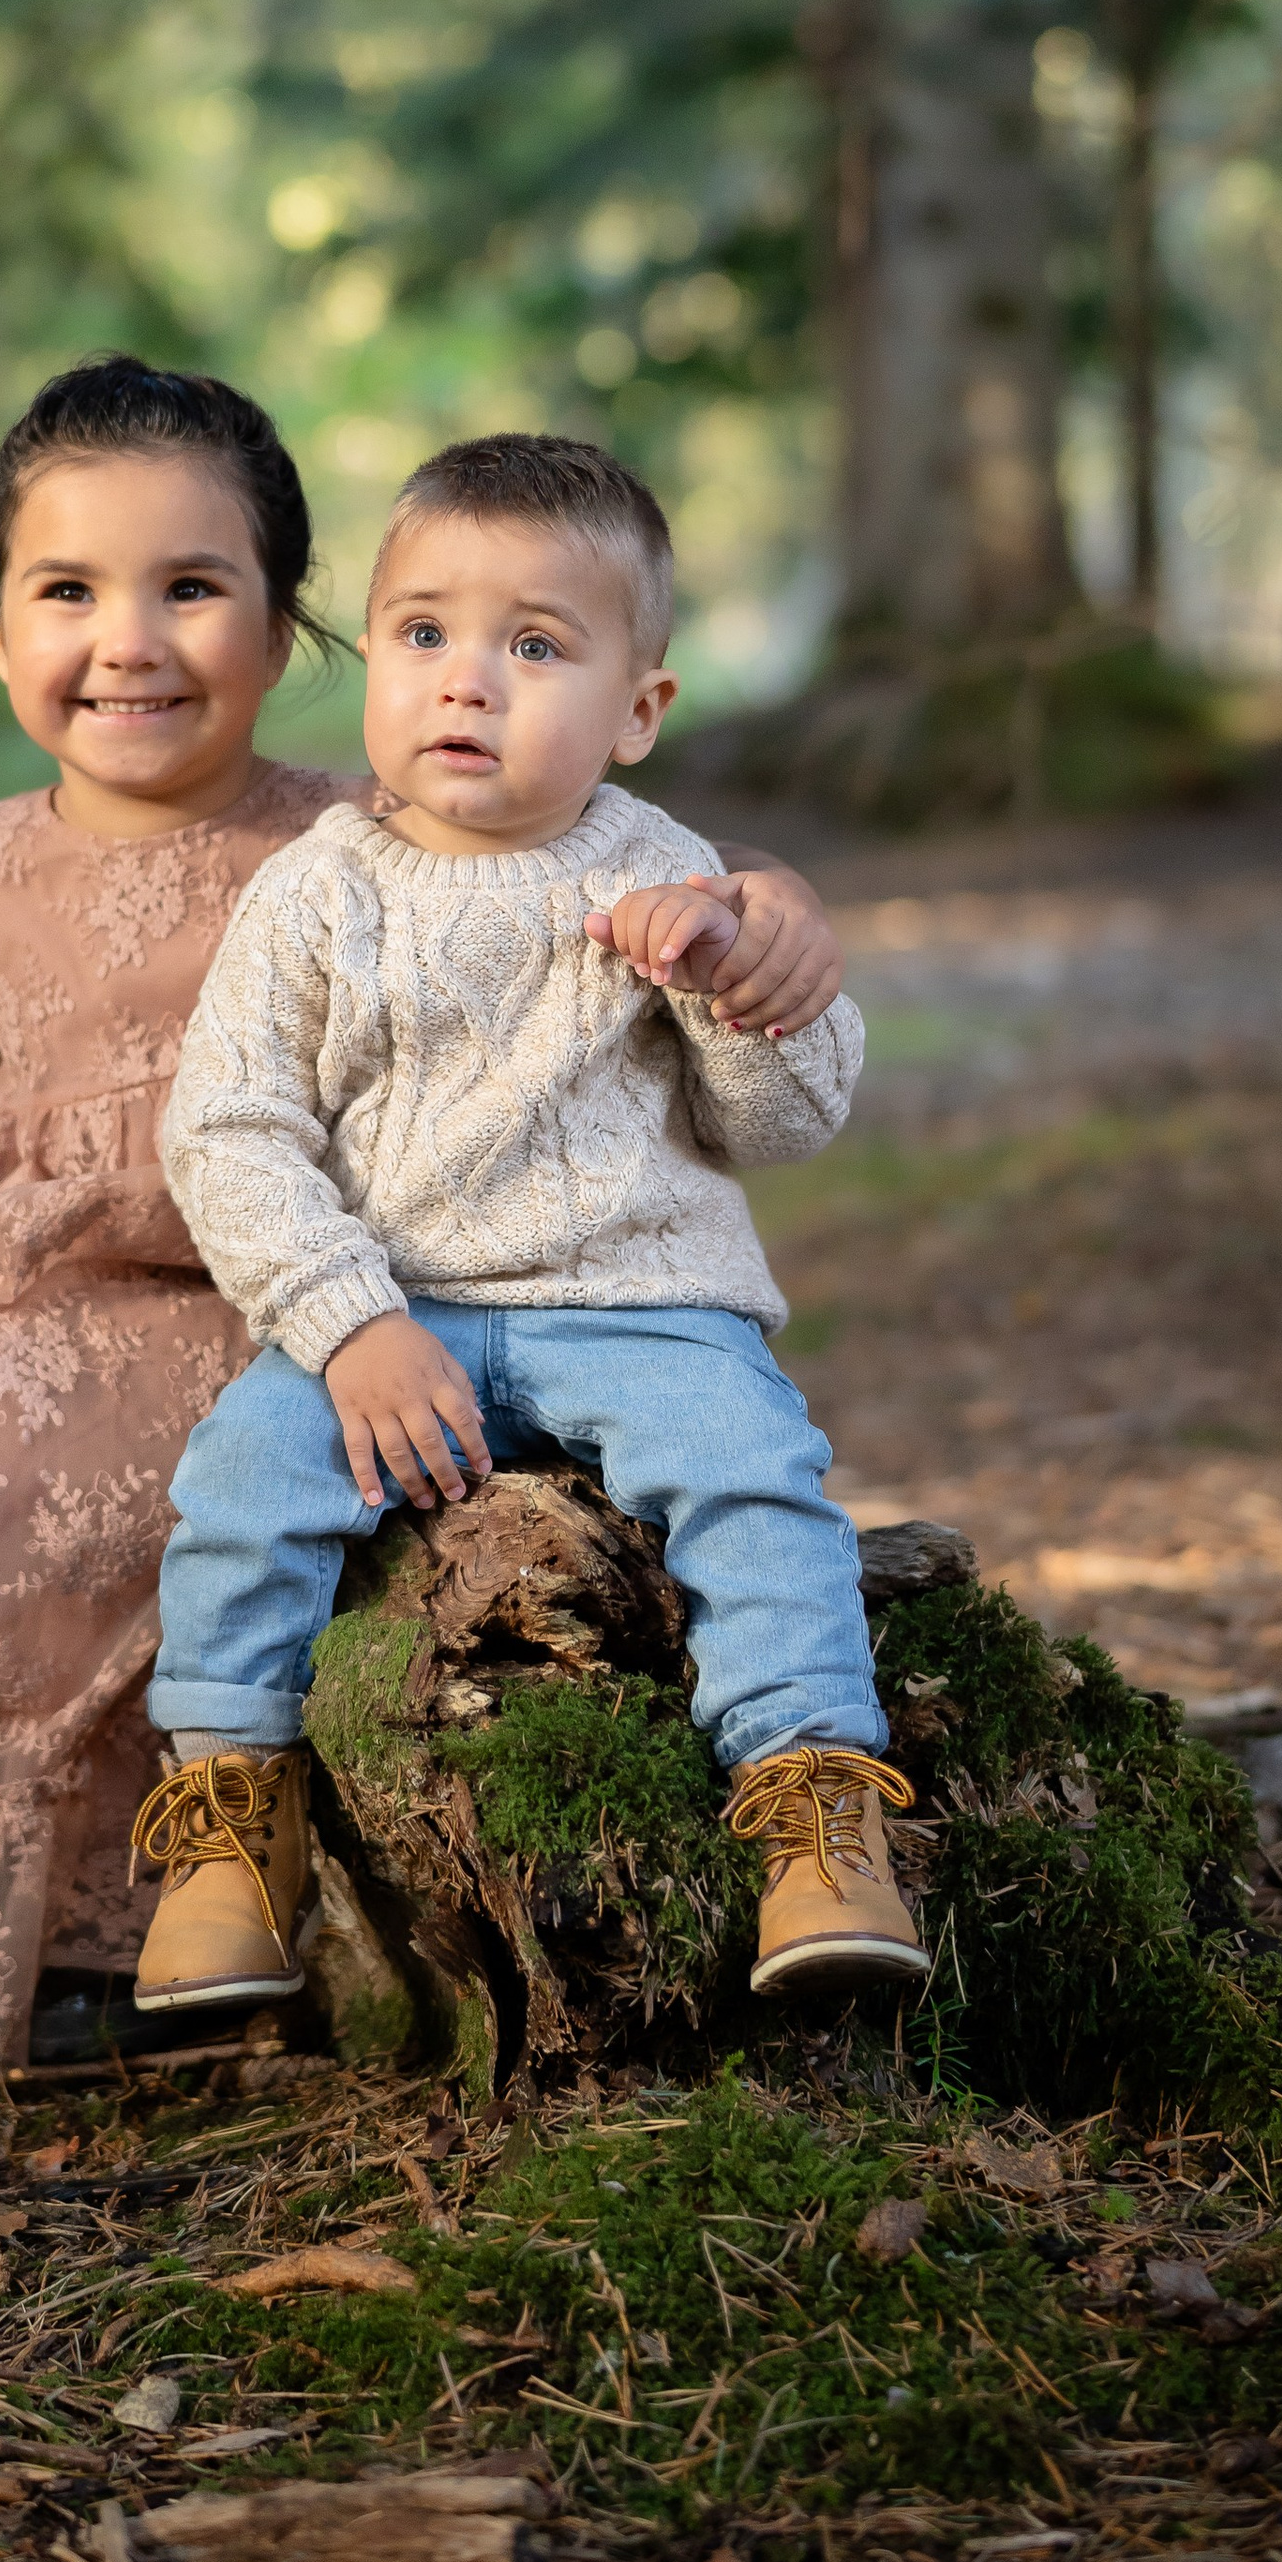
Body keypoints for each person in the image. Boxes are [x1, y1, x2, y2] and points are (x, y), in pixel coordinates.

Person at [0, 359, 845, 2089]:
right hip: (12, 1299)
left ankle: (275, 1908)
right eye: (67, 592)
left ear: (288, 622)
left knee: (199, 1490)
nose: (132, 641)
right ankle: (20, 1948)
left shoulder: (365, 828)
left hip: (285, 1282)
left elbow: (589, 864)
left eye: (192, 588)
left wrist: (769, 911)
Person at [136, 431, 923, 2023]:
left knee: (753, 1480)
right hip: (386, 1315)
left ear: (641, 709)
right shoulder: (316, 892)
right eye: (422, 633)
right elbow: (226, 1130)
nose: (466, 682)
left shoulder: (674, 873)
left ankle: (815, 1804)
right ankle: (232, 1820)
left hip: (645, 1307)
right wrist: (344, 1323)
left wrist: (727, 989)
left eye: (536, 645)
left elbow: (786, 1125)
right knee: (240, 1480)